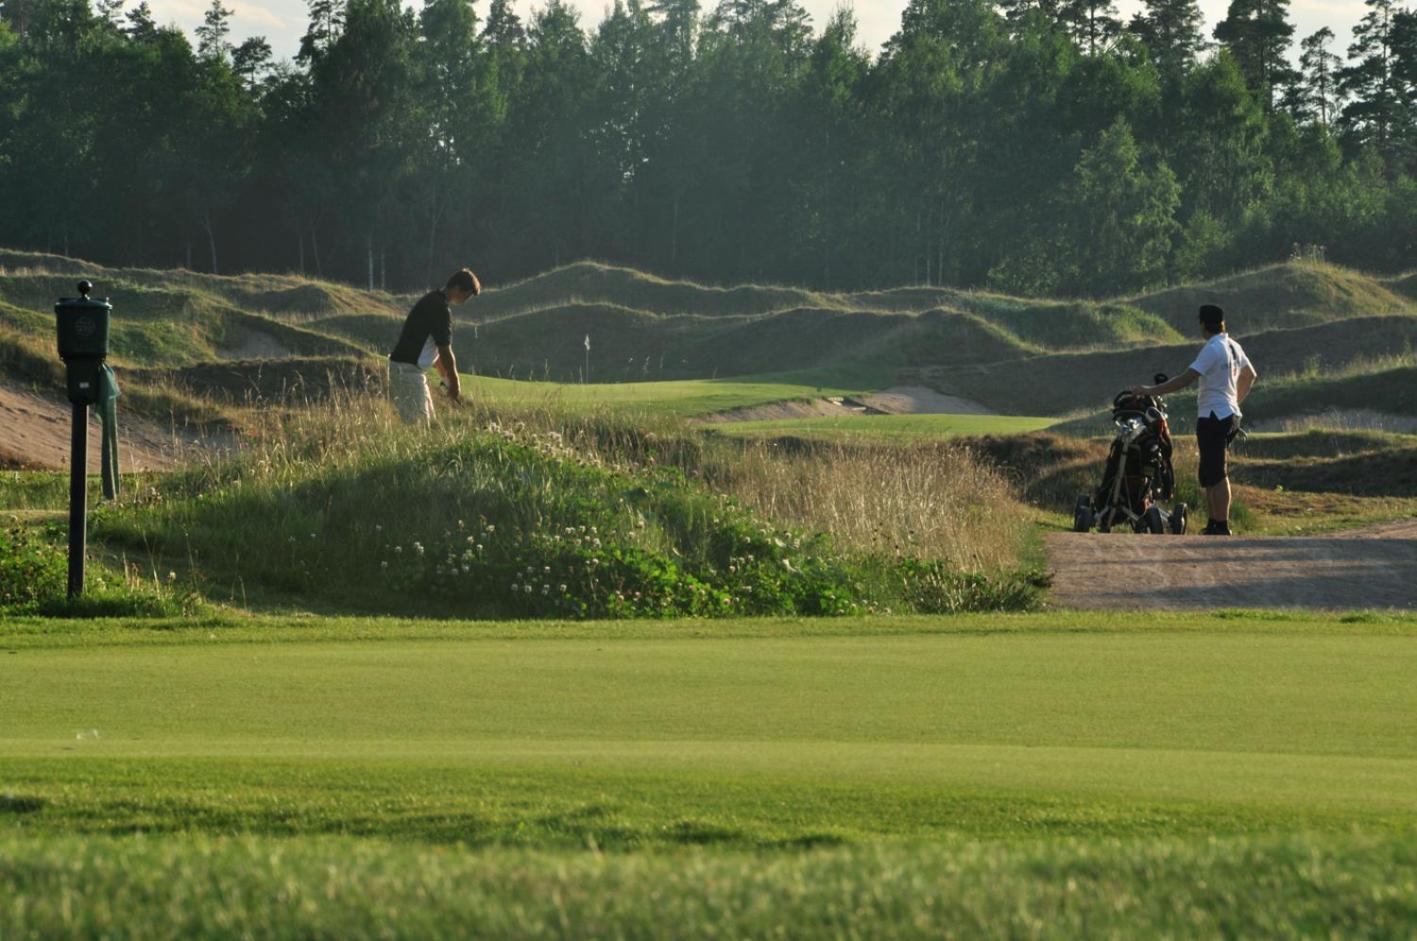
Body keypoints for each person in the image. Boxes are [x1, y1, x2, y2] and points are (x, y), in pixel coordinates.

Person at [1130, 304, 1257, 535]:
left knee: (1217, 472)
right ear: (1222, 323)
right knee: (1210, 471)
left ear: (1203, 325)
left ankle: (1221, 525)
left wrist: (1149, 391)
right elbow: (1250, 376)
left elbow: (1184, 379)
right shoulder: (1234, 346)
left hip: (1213, 415)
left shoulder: (1213, 348)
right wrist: (1234, 401)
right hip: (1228, 414)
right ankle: (1214, 522)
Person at [388, 268, 480, 424]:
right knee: (419, 426)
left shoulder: (432, 300)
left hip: (410, 371)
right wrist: (454, 382)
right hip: (407, 371)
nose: (465, 301)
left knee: (429, 425)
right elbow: (445, 350)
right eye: (466, 296)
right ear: (457, 288)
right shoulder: (440, 309)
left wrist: (445, 379)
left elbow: (434, 351)